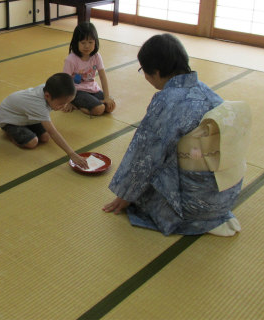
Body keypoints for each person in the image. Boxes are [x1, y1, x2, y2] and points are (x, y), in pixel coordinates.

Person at [103, 34, 244, 236]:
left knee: (149, 172)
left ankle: (201, 220)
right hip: (227, 192)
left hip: (195, 205)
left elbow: (145, 154)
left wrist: (126, 195)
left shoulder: (167, 101)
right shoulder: (205, 90)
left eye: (144, 71)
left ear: (157, 72)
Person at [0, 73, 89, 169]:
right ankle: (9, 134)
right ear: (47, 96)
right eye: (61, 104)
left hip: (26, 117)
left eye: (67, 103)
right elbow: (53, 132)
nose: (64, 106)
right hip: (10, 120)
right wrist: (72, 154)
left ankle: (25, 130)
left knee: (45, 138)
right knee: (32, 143)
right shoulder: (38, 105)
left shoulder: (50, 90)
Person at [63, 22, 116, 116]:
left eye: (90, 42)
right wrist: (68, 101)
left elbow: (103, 77)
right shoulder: (71, 59)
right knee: (100, 109)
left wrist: (107, 97)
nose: (87, 46)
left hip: (93, 89)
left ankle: (92, 104)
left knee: (111, 106)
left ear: (95, 42)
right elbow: (65, 82)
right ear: (76, 42)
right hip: (77, 92)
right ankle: (78, 105)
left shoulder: (96, 56)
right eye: (83, 43)